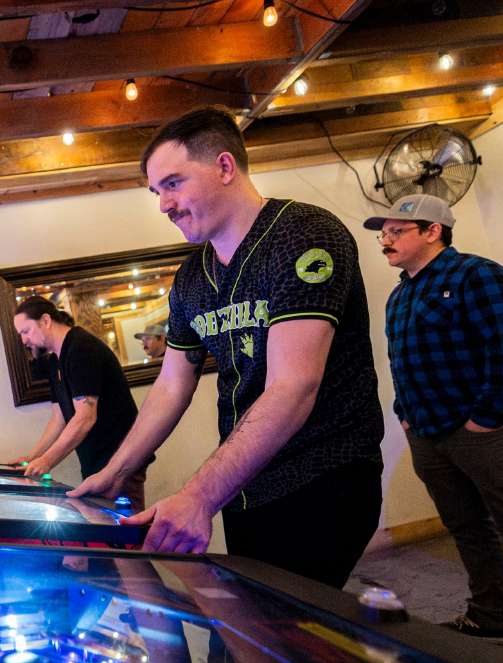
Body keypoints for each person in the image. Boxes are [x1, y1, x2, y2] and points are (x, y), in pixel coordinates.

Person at [69, 106, 384, 589]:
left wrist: (196, 496)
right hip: (245, 485)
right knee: (249, 637)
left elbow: (294, 386)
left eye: (173, 183)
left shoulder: (303, 235)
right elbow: (172, 385)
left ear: (224, 166)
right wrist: (116, 471)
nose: (164, 205)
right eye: (157, 192)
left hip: (322, 476)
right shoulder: (192, 278)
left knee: (284, 641)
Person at [365, 193, 503, 663]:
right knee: (466, 528)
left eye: (397, 231)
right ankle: (496, 619)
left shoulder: (480, 276)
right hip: (428, 434)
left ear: (433, 231)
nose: (386, 241)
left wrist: (488, 417)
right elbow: (404, 363)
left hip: (487, 432)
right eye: (384, 233)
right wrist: (405, 414)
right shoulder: (401, 294)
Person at [10, 297, 149, 509]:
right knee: (107, 531)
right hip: (96, 461)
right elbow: (59, 418)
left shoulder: (81, 348)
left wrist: (47, 461)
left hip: (119, 460)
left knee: (126, 532)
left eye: (25, 331)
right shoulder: (56, 359)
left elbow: (85, 417)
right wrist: (33, 458)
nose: (24, 340)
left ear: (45, 320)